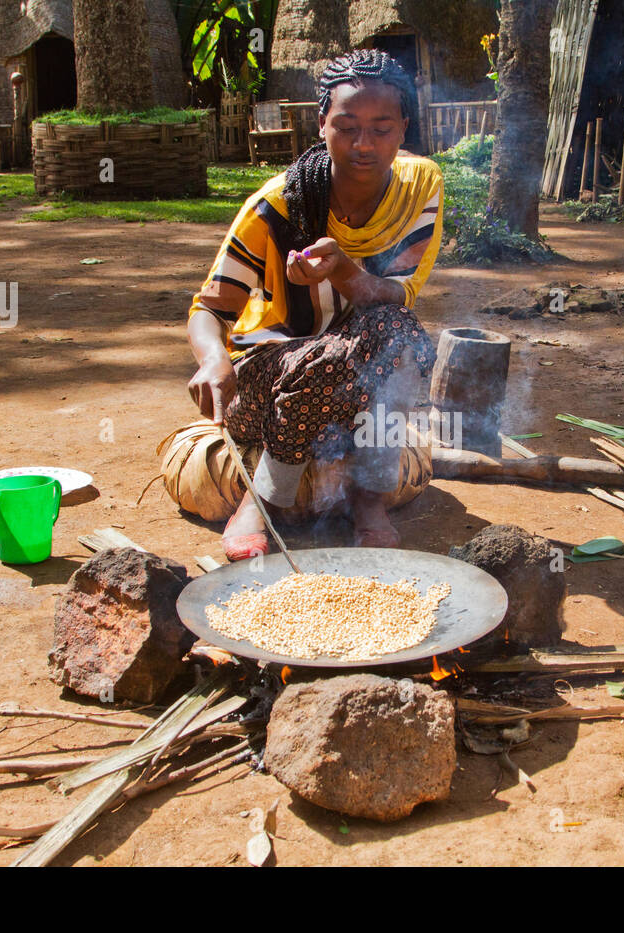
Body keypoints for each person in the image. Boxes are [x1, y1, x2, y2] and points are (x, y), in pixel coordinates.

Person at [186, 50, 444, 561]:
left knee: (400, 332)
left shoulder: (418, 189)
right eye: (346, 126)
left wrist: (342, 270)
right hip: (265, 386)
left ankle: (371, 499)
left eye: (381, 128)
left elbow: (396, 295)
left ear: (404, 129)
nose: (363, 144)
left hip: (355, 387)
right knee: (331, 358)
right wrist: (215, 361)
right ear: (321, 124)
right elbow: (210, 309)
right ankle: (261, 502)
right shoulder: (279, 204)